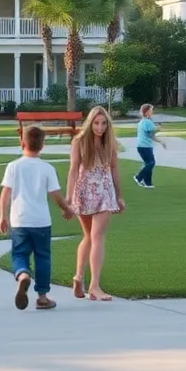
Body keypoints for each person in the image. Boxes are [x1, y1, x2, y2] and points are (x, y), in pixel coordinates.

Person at [0, 125, 75, 310]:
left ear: (22, 142)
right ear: (43, 145)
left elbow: (5, 195)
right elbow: (56, 194)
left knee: (19, 253)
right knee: (43, 257)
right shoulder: (47, 168)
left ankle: (23, 274)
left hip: (19, 220)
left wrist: (2, 216)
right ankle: (42, 296)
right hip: (41, 221)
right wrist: (67, 209)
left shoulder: (13, 166)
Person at [67, 105, 125, 301]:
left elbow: (115, 169)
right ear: (90, 123)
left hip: (105, 192)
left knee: (97, 235)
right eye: (96, 123)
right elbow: (73, 170)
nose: (100, 128)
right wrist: (68, 198)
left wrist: (118, 196)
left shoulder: (110, 143)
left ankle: (94, 285)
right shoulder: (80, 141)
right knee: (89, 237)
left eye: (103, 124)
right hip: (83, 192)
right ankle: (78, 277)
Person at [133, 103, 167, 189]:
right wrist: (158, 129)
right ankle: (139, 177)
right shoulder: (148, 122)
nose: (152, 112)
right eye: (151, 110)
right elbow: (151, 135)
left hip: (142, 146)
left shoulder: (143, 121)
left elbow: (150, 134)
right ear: (147, 112)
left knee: (148, 163)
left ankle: (148, 183)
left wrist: (160, 140)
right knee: (151, 163)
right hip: (145, 146)